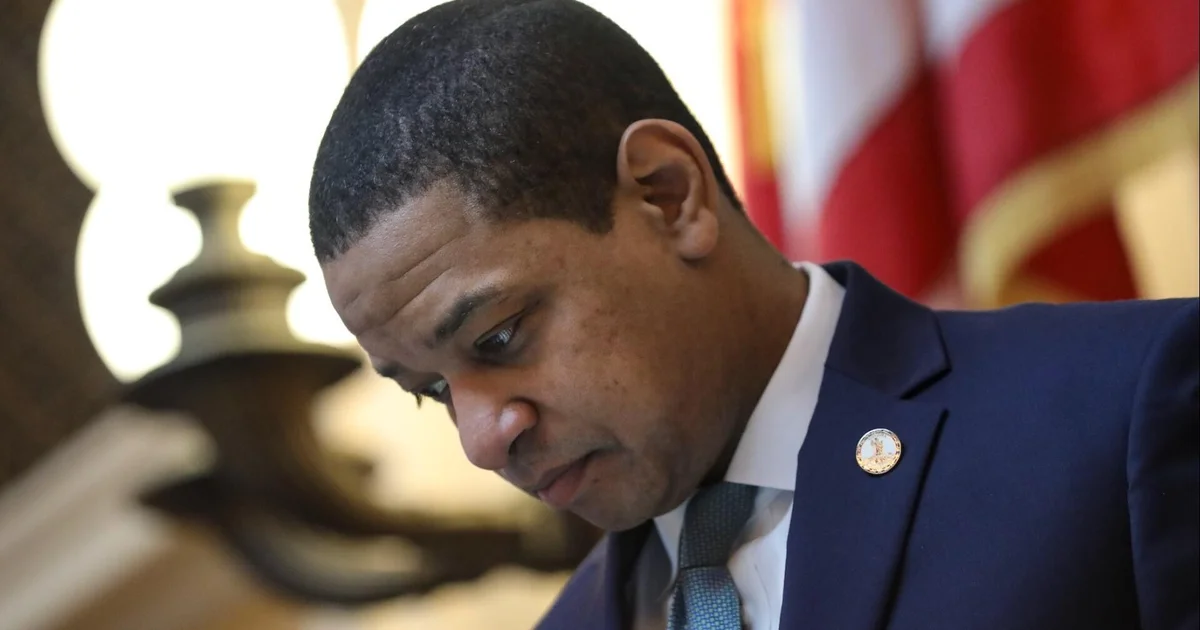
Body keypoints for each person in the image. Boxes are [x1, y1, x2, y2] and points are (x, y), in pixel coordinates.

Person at [307, 1, 1199, 628]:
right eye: (431, 391)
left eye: (499, 337)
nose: (481, 440)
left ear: (667, 195)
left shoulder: (1120, 415)